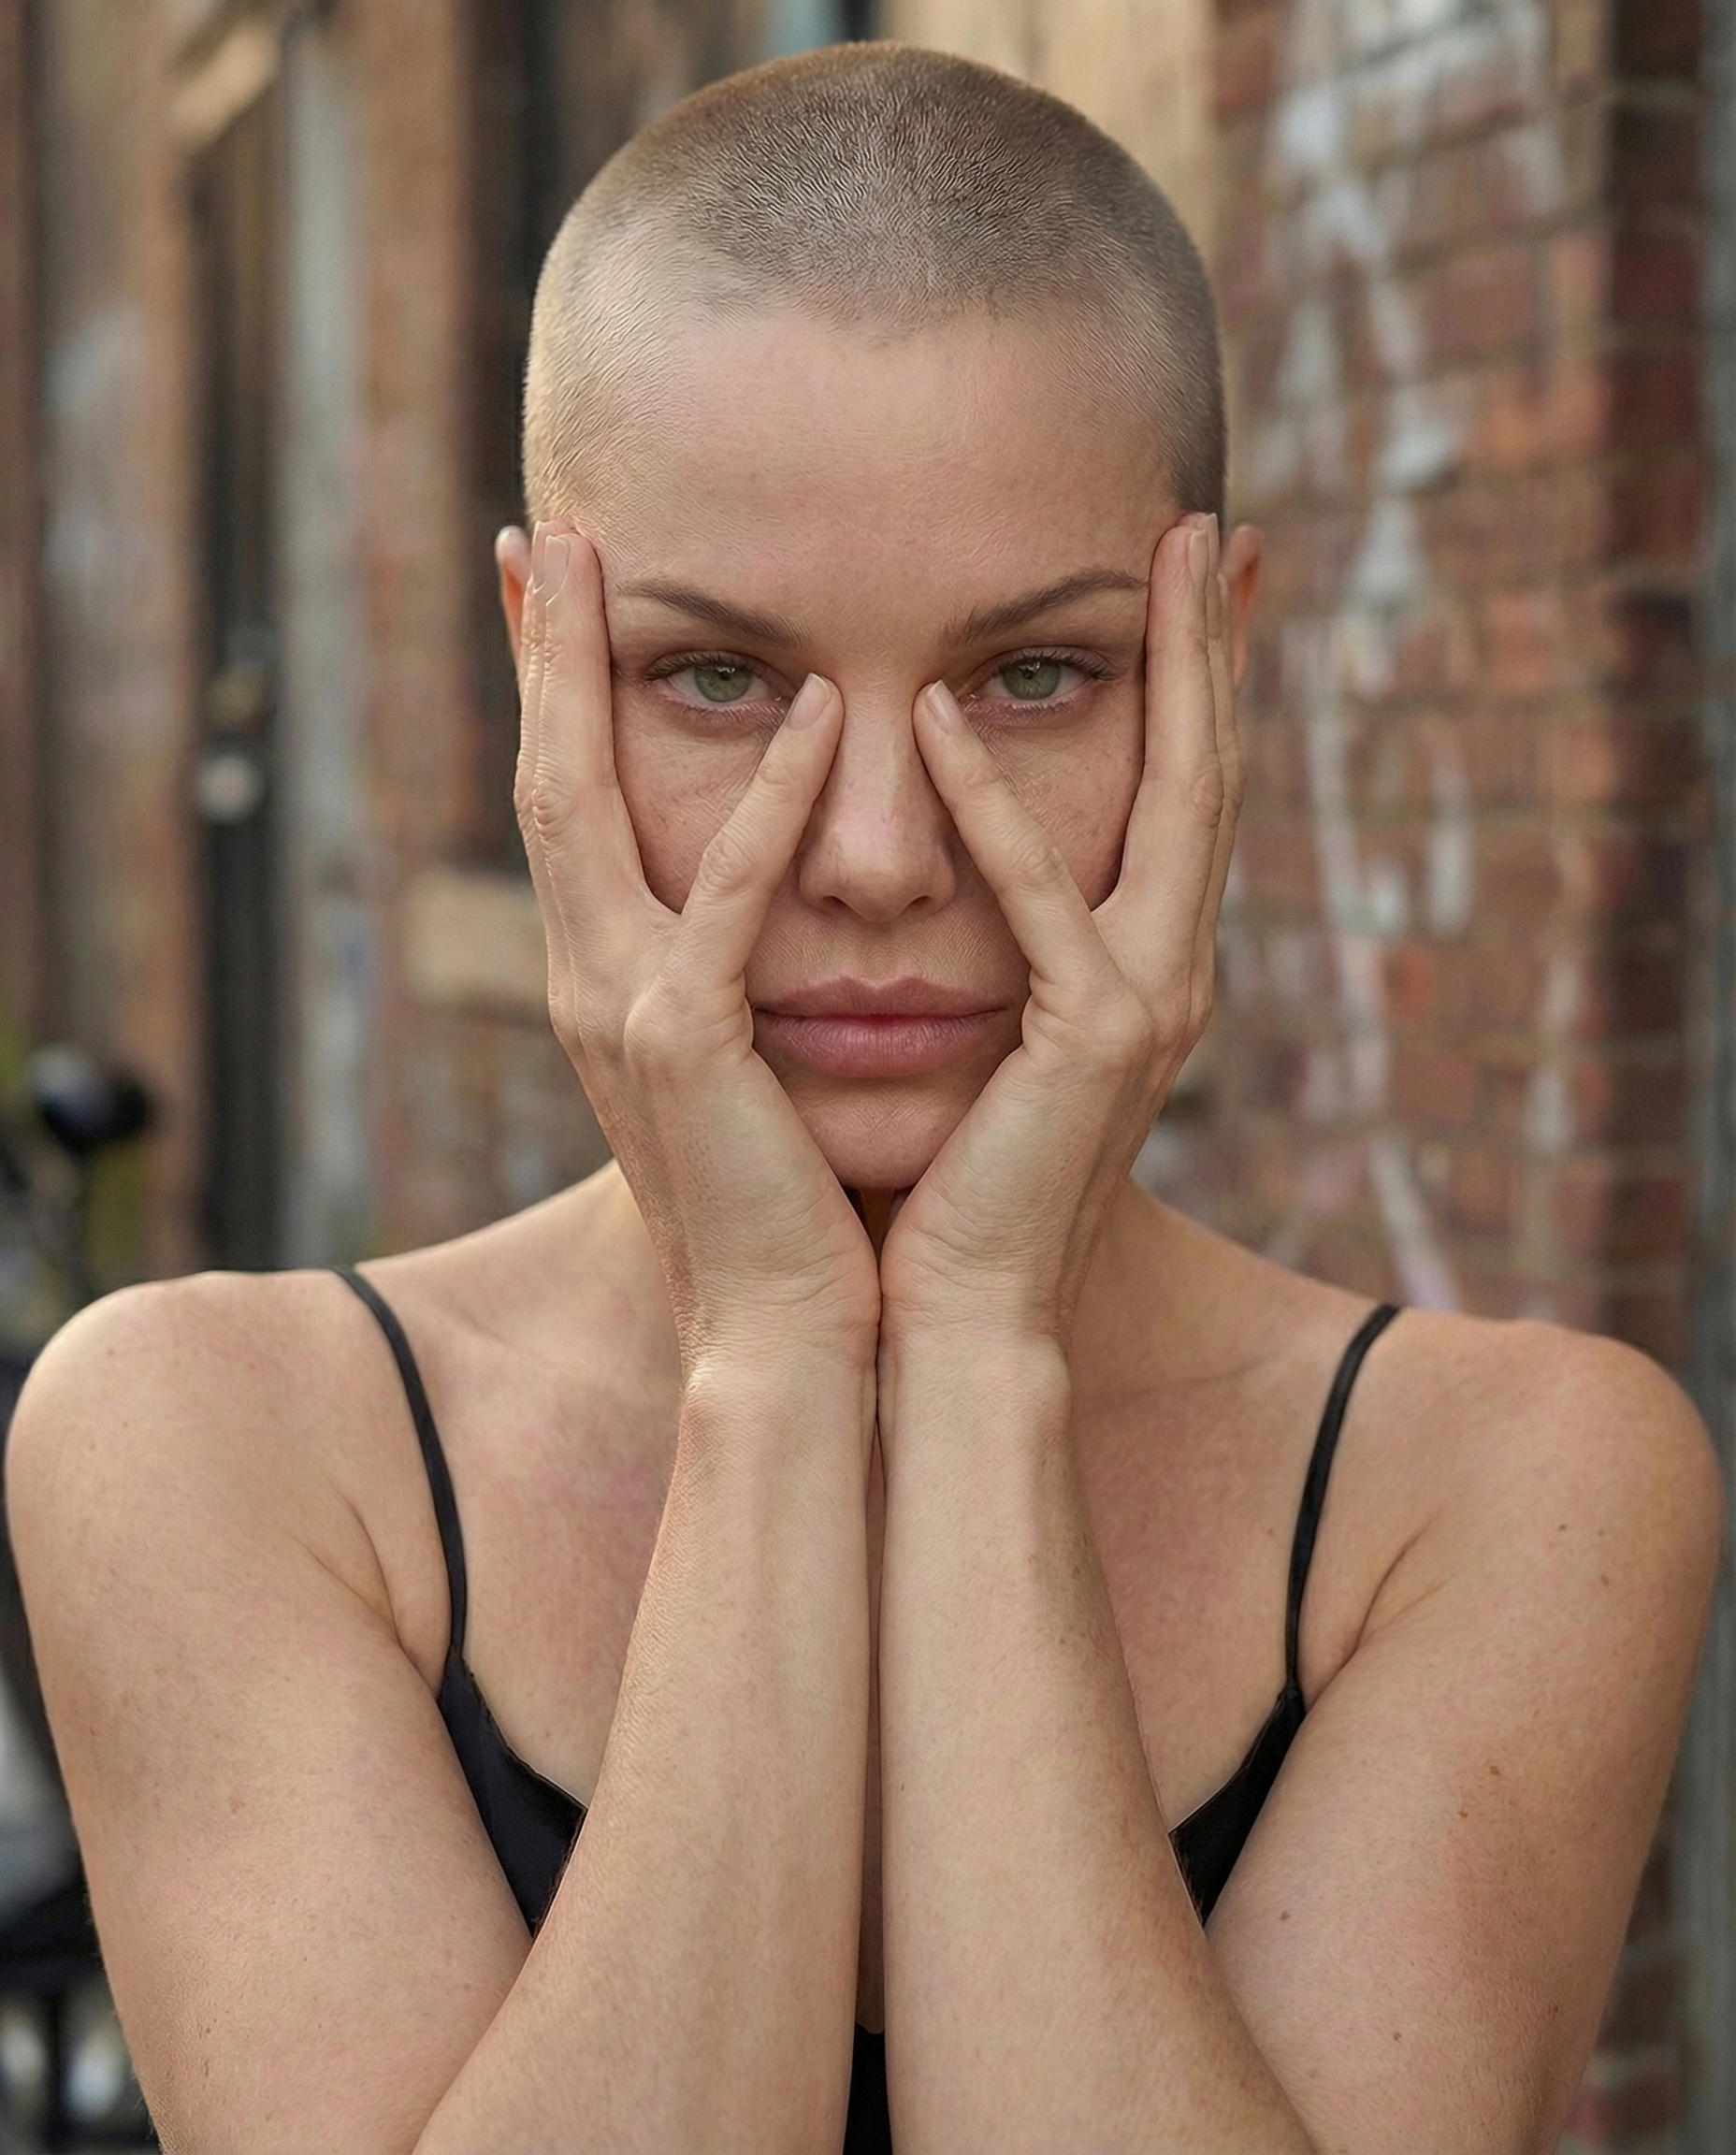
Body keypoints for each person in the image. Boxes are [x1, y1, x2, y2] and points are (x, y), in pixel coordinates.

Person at [5, 42, 1720, 2155]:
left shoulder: (1508, 1489)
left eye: (1035, 676)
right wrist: (775, 1353)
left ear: (1217, 667)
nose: (883, 855)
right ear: (542, 666)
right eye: (718, 678)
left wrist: (981, 1351)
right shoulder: (218, 1443)